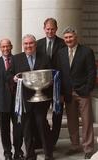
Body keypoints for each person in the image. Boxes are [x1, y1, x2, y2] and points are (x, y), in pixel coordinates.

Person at [55, 26, 96, 159]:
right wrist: (60, 93)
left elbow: (92, 73)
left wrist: (87, 89)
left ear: (76, 37)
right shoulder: (60, 53)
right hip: (67, 93)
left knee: (87, 120)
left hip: (83, 92)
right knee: (72, 120)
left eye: (70, 37)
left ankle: (88, 147)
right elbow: (59, 74)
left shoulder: (86, 51)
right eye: (66, 37)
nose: (68, 39)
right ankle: (74, 145)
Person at [13, 34, 53, 160]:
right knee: (27, 128)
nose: (28, 46)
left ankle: (48, 152)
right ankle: (30, 156)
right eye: (26, 44)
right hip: (24, 99)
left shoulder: (45, 57)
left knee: (42, 124)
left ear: (35, 44)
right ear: (23, 45)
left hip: (41, 99)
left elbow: (50, 77)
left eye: (31, 43)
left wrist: (48, 98)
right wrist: (13, 79)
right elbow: (9, 75)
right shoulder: (16, 59)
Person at [0, 39, 25, 160]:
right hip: (2, 102)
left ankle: (18, 151)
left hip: (17, 101)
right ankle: (7, 153)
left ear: (11, 47)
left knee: (18, 128)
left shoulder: (18, 60)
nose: (6, 49)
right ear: (0, 47)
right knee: (4, 129)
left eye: (8, 46)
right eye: (3, 46)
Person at [37, 18, 66, 146]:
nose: (50, 31)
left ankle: (53, 141)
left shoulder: (63, 44)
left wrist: (63, 91)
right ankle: (45, 137)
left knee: (57, 115)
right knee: (41, 115)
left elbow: (66, 68)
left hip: (58, 86)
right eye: (48, 29)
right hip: (42, 86)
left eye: (52, 29)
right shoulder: (37, 44)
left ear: (56, 29)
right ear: (44, 29)